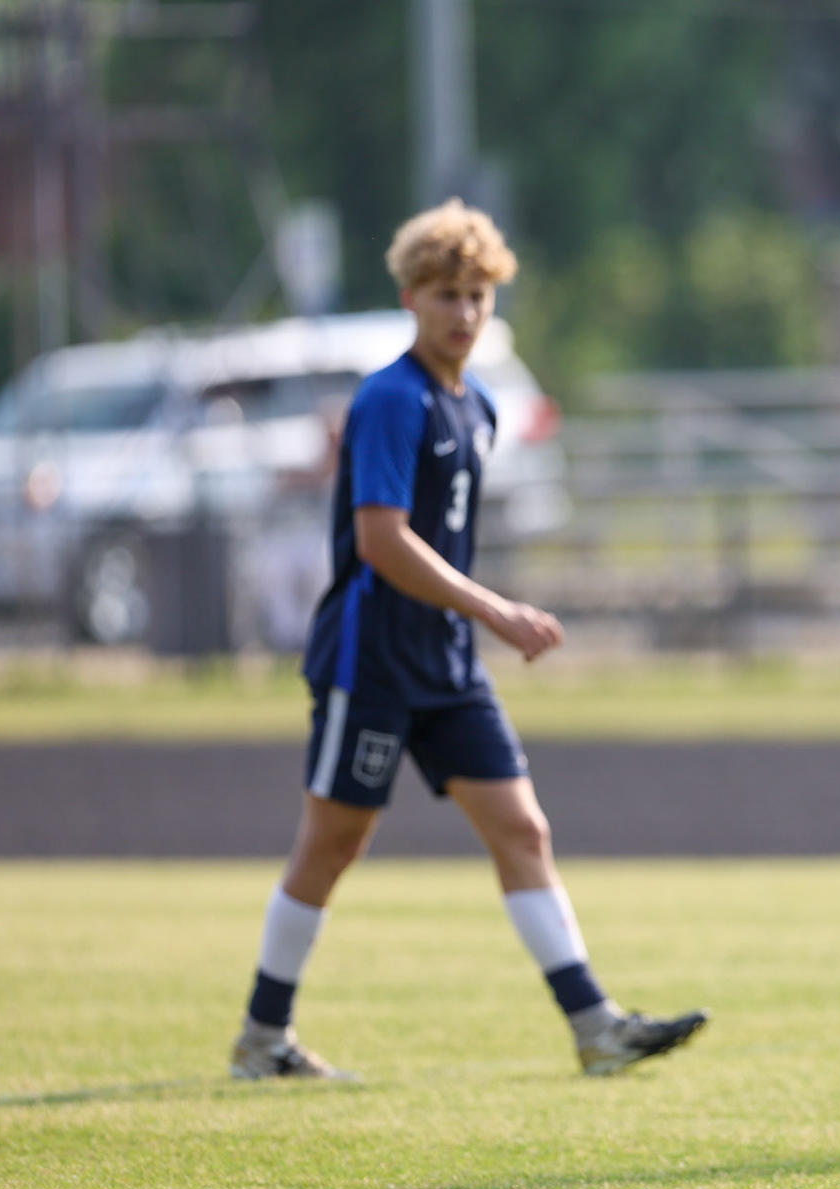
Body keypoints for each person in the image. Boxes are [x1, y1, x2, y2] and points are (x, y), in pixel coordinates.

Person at [230, 199, 707, 1080]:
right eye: (445, 293)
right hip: (370, 661)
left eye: (478, 294)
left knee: (523, 828)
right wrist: (494, 609)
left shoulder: (477, 404)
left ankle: (594, 1025)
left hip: (446, 667)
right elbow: (381, 541)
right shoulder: (389, 400)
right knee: (332, 843)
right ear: (410, 297)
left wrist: (474, 622)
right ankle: (264, 1038)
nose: (463, 311)